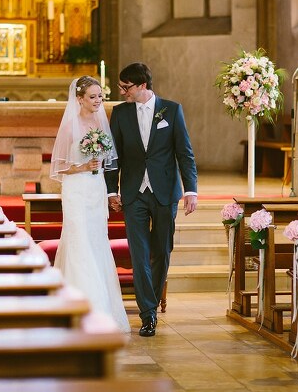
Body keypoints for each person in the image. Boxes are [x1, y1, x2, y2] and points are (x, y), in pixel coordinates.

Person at [105, 63, 198, 337]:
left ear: (142, 85)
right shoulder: (120, 114)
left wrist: (190, 189)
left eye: (126, 87)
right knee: (139, 255)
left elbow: (185, 153)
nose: (122, 92)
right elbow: (113, 157)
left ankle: (153, 303)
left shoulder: (171, 109)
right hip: (133, 194)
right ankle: (147, 314)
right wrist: (112, 191)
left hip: (165, 192)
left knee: (162, 251)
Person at [50, 76, 130, 334]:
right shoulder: (70, 126)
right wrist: (82, 166)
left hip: (96, 189)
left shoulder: (100, 121)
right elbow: (58, 166)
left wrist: (100, 170)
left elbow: (108, 160)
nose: (98, 101)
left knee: (96, 242)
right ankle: (82, 308)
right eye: (93, 97)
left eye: (100, 97)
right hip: (76, 189)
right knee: (79, 241)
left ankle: (102, 307)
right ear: (80, 99)